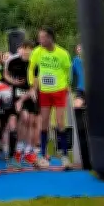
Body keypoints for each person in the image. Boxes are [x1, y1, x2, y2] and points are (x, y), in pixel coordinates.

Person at [29, 27, 72, 169]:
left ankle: (65, 156)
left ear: (50, 38)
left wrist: (67, 86)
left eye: (42, 37)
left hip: (59, 90)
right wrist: (32, 86)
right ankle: (43, 155)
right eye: (39, 37)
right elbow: (31, 68)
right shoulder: (37, 51)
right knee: (44, 122)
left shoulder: (63, 53)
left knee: (60, 122)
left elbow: (68, 71)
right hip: (44, 91)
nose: (39, 40)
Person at [5, 41, 38, 166]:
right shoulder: (13, 62)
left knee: (30, 121)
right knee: (23, 118)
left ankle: (28, 151)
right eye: (24, 48)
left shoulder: (35, 64)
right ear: (21, 49)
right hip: (16, 94)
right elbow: (6, 74)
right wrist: (13, 81)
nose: (26, 51)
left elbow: (34, 87)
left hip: (29, 95)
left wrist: (22, 100)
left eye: (29, 49)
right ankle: (18, 151)